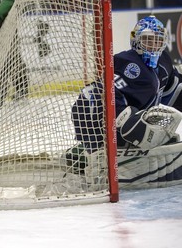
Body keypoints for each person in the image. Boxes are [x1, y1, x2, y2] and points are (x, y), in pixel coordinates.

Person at [72, 16, 182, 159]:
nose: (153, 45)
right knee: (131, 132)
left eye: (157, 41)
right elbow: (103, 95)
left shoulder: (164, 62)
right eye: (148, 40)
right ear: (136, 40)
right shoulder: (128, 64)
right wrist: (127, 119)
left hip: (124, 121)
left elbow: (175, 87)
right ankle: (92, 151)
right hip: (98, 124)